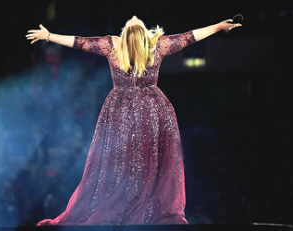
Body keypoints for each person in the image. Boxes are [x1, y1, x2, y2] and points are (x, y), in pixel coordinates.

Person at [26, 15, 241, 225]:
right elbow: (189, 37)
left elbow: (79, 42)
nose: (135, 16)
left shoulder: (114, 46)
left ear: (127, 35)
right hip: (152, 113)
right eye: (136, 21)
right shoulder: (156, 47)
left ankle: (133, 204)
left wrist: (49, 36)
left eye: (133, 22)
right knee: (143, 165)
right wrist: (216, 27)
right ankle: (142, 206)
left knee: (129, 164)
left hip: (123, 113)